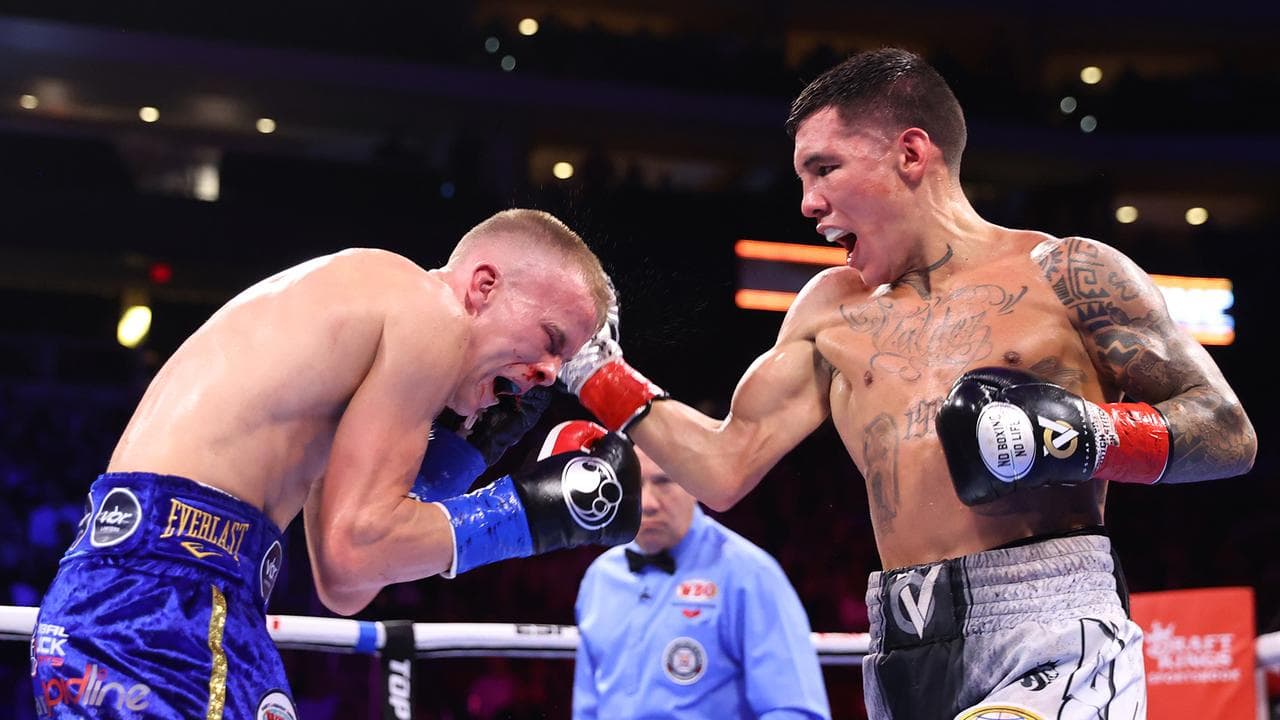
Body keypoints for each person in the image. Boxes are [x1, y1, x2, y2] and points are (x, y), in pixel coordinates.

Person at [557, 48, 1257, 719]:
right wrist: (592, 370)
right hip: (902, 642)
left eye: (824, 168)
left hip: (1049, 622)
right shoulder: (830, 310)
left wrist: (1087, 436)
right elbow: (723, 465)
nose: (806, 202)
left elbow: (1227, 431)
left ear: (912, 154)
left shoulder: (1067, 273)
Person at [30, 208, 642, 718]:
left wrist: (466, 456)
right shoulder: (430, 311)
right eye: (551, 339)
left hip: (153, 596)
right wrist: (538, 512)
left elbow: (344, 580)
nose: (547, 375)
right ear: (483, 287)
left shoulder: (359, 336)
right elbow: (357, 548)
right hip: (169, 608)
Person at [572, 444, 830, 720]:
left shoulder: (750, 574)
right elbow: (587, 710)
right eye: (634, 484)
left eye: (663, 482)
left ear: (694, 485)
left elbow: (795, 711)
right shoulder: (599, 579)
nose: (647, 503)